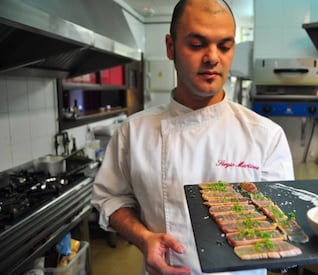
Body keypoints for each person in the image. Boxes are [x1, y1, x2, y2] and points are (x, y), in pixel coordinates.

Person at [91, 0, 294, 274]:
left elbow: (283, 225)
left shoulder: (266, 136)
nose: (212, 57)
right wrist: (144, 238)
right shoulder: (133, 132)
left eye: (224, 46)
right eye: (197, 45)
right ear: (170, 47)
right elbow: (110, 199)